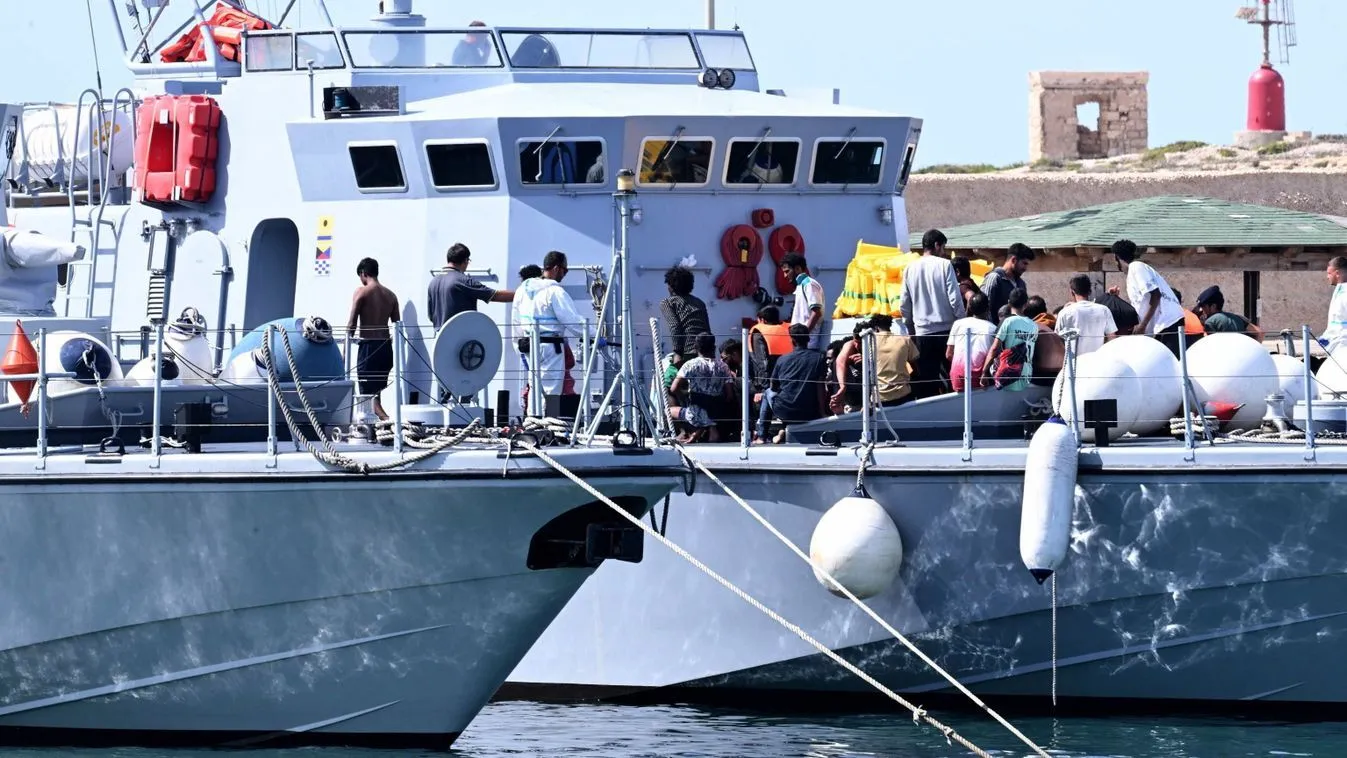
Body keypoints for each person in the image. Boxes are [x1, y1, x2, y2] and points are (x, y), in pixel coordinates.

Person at [513, 250, 587, 410]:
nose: (564, 274)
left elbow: (516, 321)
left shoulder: (523, 290)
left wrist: (518, 348)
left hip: (529, 346)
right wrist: (594, 336)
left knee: (534, 389)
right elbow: (573, 321)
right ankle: (549, 425)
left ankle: (532, 424)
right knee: (552, 391)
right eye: (564, 270)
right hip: (551, 348)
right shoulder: (555, 291)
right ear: (556, 268)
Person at [899, 229, 965, 399]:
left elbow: (904, 304)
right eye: (943, 248)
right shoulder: (945, 265)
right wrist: (962, 325)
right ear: (937, 245)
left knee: (928, 381)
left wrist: (910, 329)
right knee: (953, 378)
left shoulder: (909, 268)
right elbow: (955, 299)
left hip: (922, 334)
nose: (943, 252)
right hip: (947, 332)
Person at [346, 257, 401, 421]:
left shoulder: (361, 292)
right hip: (385, 348)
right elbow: (397, 324)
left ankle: (386, 421)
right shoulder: (391, 296)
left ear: (363, 273)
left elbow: (351, 323)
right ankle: (381, 425)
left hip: (369, 347)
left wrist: (345, 351)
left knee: (367, 392)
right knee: (376, 390)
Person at [1112, 239, 1186, 358]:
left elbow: (1155, 295)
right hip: (1159, 326)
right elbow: (1142, 303)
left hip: (1167, 322)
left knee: (1170, 366)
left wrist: (1143, 325)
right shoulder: (1133, 273)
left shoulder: (1136, 267)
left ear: (1116, 257)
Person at [761, 324, 828, 443]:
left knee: (767, 393)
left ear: (792, 340)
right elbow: (820, 387)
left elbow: (773, 387)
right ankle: (784, 430)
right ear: (808, 338)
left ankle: (762, 436)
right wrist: (822, 413)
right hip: (810, 411)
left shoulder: (782, 359)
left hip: (785, 411)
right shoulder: (819, 357)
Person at [428, 243, 514, 330]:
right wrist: (521, 294)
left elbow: (431, 316)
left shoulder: (433, 282)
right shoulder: (463, 280)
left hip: (439, 339)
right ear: (465, 260)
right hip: (462, 337)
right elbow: (495, 295)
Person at [668, 333, 735, 443]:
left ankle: (687, 432)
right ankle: (708, 429)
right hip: (716, 413)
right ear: (713, 347)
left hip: (696, 413)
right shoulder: (723, 366)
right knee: (710, 414)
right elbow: (730, 396)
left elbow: (673, 388)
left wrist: (685, 398)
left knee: (668, 411)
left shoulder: (690, 365)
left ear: (696, 348)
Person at [983, 295, 1039, 392]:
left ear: (1009, 302)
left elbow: (994, 348)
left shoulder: (1008, 321)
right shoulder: (1034, 325)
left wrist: (984, 373)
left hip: (1007, 379)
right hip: (1026, 377)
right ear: (1025, 305)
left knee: (992, 362)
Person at [946, 291, 997, 392]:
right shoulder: (993, 329)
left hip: (957, 376)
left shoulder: (958, 324)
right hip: (980, 378)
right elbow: (994, 356)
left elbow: (948, 354)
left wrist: (962, 368)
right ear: (988, 309)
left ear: (969, 308)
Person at [1056, 274, 1118, 356]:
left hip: (1074, 365)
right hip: (1097, 362)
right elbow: (1112, 339)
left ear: (1072, 292)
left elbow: (1057, 340)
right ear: (1090, 291)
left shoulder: (1065, 312)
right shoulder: (1104, 310)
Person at [659, 264, 711, 362]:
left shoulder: (667, 303)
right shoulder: (700, 302)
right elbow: (707, 329)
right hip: (706, 351)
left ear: (671, 286)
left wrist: (678, 353)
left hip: (687, 351)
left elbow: (674, 326)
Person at [870, 313, 920, 406]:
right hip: (903, 394)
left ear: (876, 328)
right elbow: (915, 366)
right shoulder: (905, 339)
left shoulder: (869, 343)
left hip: (879, 398)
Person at [780, 252, 827, 350]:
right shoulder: (801, 286)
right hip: (801, 344)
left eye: (787, 271)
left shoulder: (809, 284)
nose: (785, 275)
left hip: (809, 344)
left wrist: (803, 335)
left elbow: (816, 312)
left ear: (797, 268)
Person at [981, 243, 1034, 325]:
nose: (1025, 268)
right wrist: (994, 331)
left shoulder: (1021, 284)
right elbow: (984, 308)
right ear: (1013, 260)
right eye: (1024, 263)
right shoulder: (994, 278)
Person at [1194, 285, 1263, 341]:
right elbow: (1260, 333)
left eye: (1204, 307)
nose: (1202, 309)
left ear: (1213, 306)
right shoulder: (1238, 318)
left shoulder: (1210, 322)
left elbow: (1209, 344)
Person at [1322, 256, 1347, 353]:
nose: (1327, 277)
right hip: (1336, 345)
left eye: (1329, 273)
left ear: (1337, 273)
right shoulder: (1340, 290)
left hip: (1343, 347)